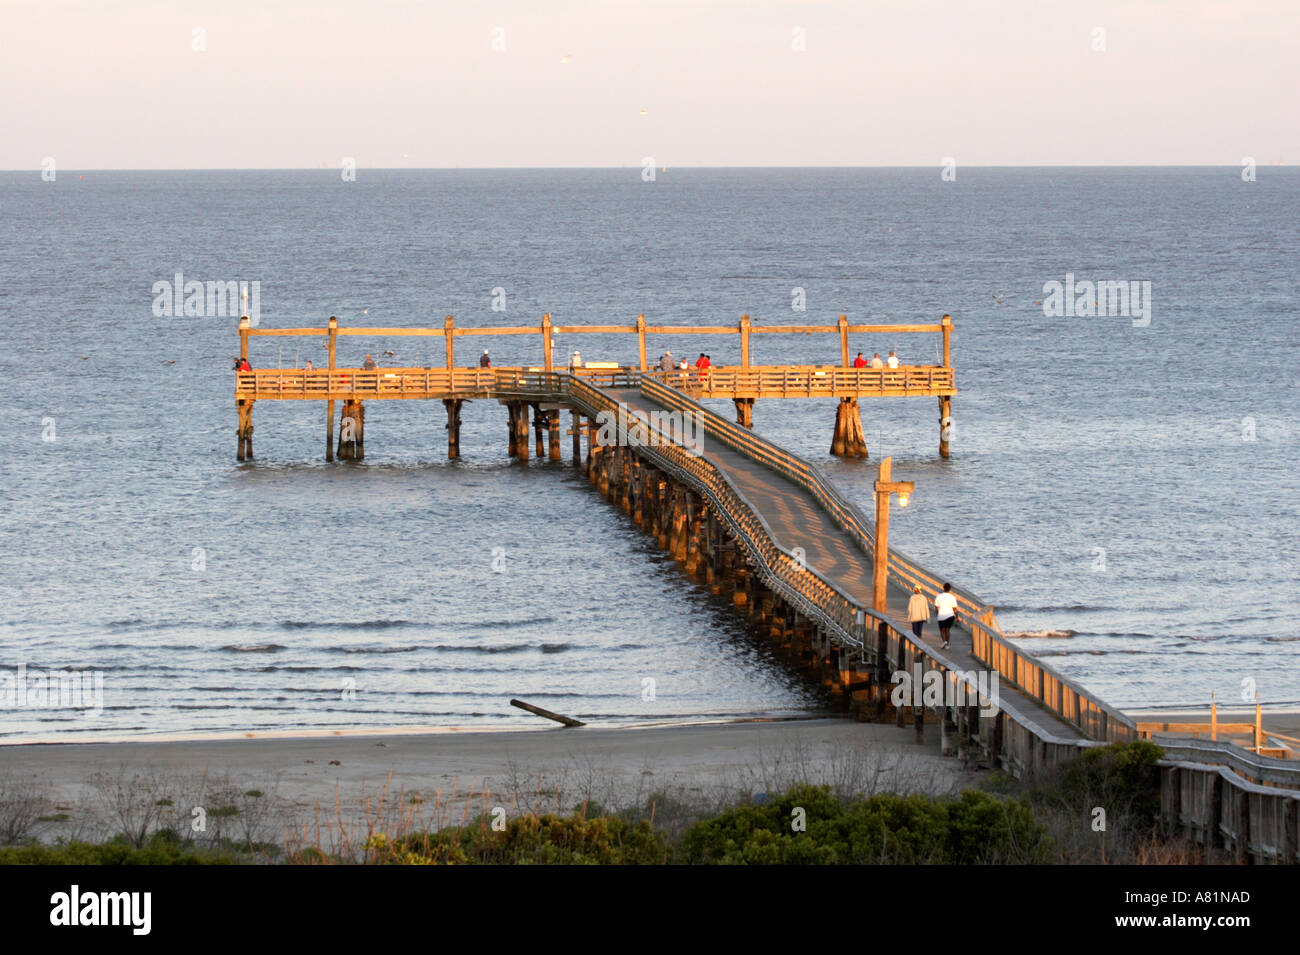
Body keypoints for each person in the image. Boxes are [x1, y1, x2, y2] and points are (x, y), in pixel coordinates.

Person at [934, 582, 959, 649]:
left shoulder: (939, 596)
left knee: (942, 630)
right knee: (947, 630)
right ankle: (947, 644)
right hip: (950, 615)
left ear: (943, 588)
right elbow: (954, 609)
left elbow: (936, 608)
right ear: (949, 589)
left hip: (941, 615)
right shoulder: (952, 597)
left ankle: (944, 641)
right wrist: (957, 617)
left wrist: (937, 613)